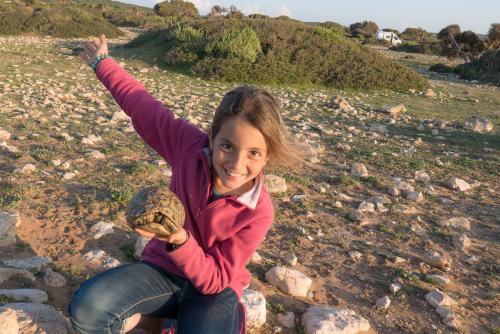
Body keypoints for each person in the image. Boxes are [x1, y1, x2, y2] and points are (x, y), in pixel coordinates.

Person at [69, 35, 297, 334]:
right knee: (88, 311)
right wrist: (102, 63)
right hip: (162, 272)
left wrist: (178, 237)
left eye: (253, 153)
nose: (237, 164)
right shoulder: (188, 146)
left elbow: (215, 279)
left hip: (213, 292)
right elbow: (142, 106)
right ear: (212, 137)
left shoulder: (259, 211)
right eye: (227, 146)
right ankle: (161, 322)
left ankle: (219, 320)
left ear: (267, 156)